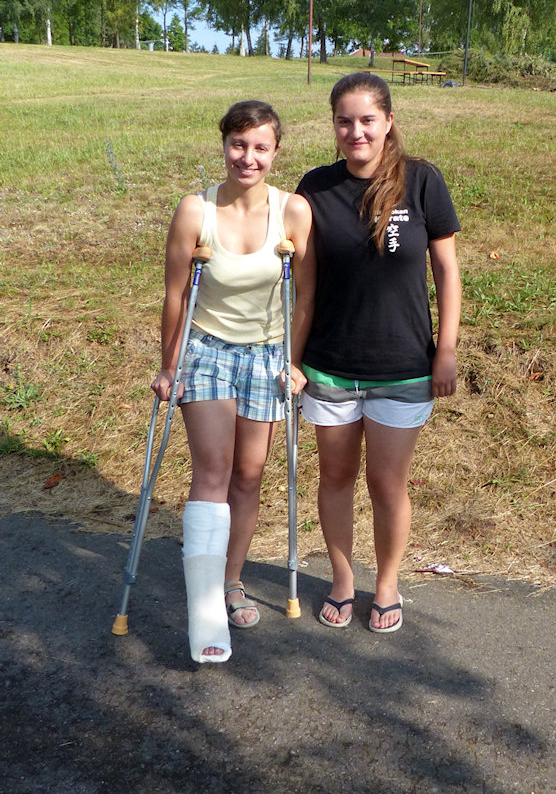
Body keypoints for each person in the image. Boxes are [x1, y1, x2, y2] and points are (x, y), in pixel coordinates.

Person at [296, 73, 461, 633]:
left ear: (388, 120)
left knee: (387, 484)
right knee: (335, 478)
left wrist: (446, 350)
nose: (356, 131)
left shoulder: (422, 181)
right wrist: (293, 358)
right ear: (334, 126)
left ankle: (387, 585)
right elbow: (302, 283)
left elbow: (447, 271)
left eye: (367, 119)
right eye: (344, 121)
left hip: (404, 365)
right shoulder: (315, 187)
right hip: (330, 366)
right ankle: (343, 580)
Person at [152, 101, 313, 663]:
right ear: (223, 145)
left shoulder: (293, 212)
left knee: (249, 473)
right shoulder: (194, 210)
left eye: (260, 147)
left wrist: (295, 360)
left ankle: (230, 581)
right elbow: (176, 293)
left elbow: (306, 295)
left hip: (268, 353)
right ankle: (204, 610)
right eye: (238, 145)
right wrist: (169, 364)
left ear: (275, 151)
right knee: (215, 471)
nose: (248, 157)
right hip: (208, 349)